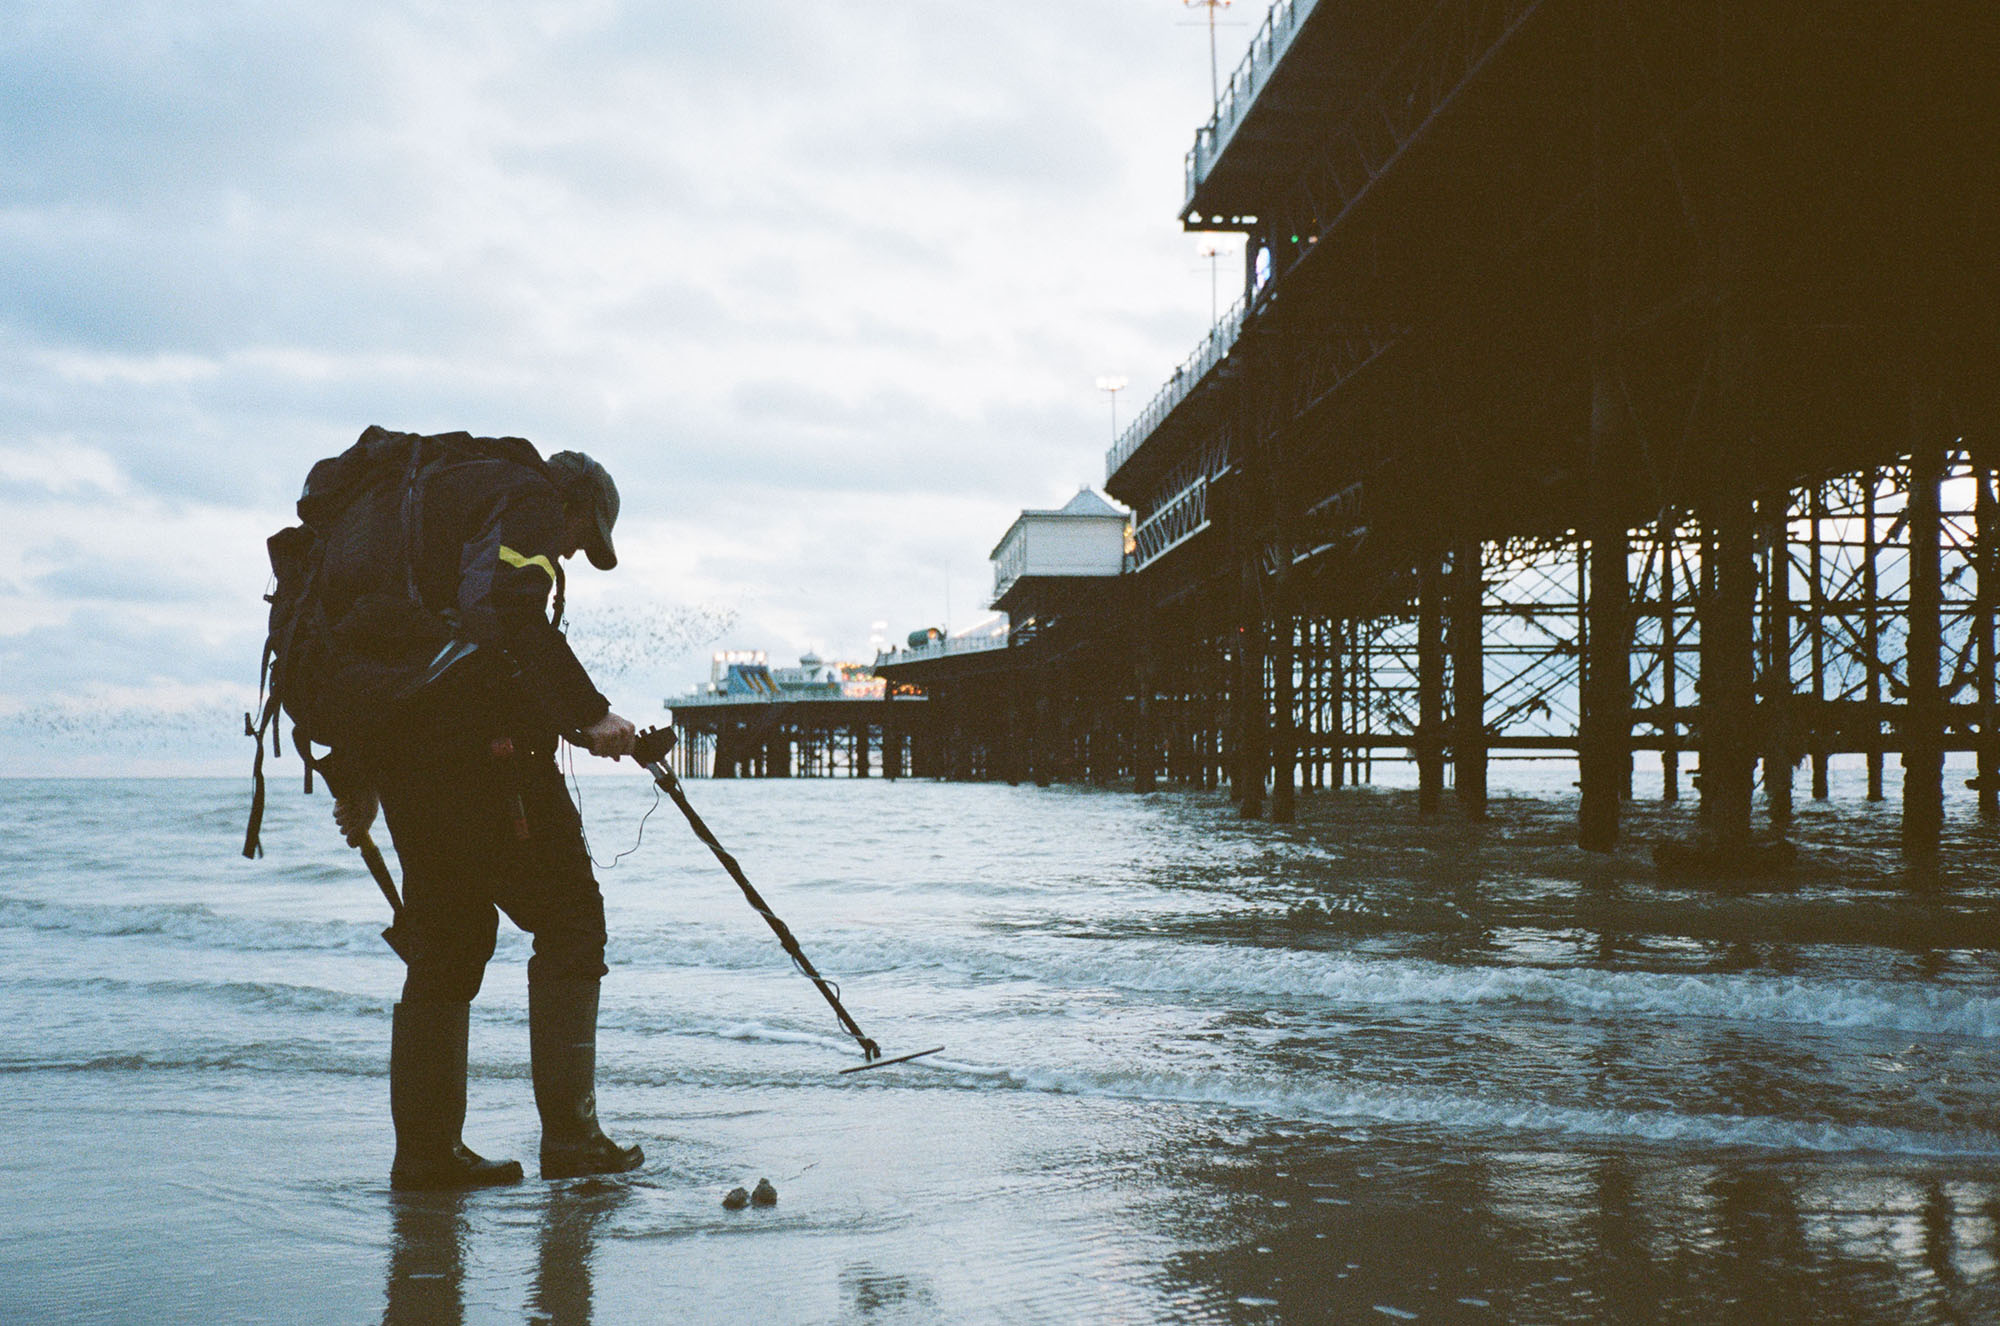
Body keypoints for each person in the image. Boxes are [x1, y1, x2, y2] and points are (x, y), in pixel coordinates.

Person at [323, 439, 644, 1191]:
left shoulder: (430, 521)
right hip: (485, 755)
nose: (570, 552)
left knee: (450, 940)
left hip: (407, 753)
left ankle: (428, 1155)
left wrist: (358, 773)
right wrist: (590, 715)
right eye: (580, 537)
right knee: (570, 919)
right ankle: (572, 1139)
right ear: (569, 504)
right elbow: (504, 610)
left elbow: (388, 649)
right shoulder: (528, 502)